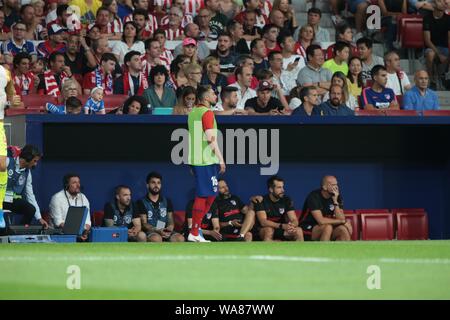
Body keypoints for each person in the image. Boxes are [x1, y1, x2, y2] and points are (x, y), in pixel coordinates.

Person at [187, 85, 225, 242]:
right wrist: (221, 158)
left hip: (196, 159)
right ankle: (194, 232)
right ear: (205, 98)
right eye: (212, 93)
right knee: (204, 195)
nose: (215, 95)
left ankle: (196, 230)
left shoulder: (193, 112)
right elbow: (210, 138)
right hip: (205, 160)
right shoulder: (207, 112)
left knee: (210, 194)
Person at [4, 145, 48, 228]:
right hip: (0, 198)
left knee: (30, 209)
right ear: (28, 157)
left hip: (10, 200)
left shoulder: (28, 173)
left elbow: (30, 195)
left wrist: (39, 218)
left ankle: (18, 233)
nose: (35, 164)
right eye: (34, 161)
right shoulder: (7, 162)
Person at [136, 171, 185, 242]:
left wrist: (170, 228)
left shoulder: (167, 201)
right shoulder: (141, 202)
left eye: (158, 183)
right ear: (147, 185)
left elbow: (170, 220)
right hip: (151, 232)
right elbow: (144, 224)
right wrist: (157, 230)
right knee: (156, 238)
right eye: (153, 182)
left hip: (165, 231)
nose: (156, 185)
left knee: (180, 238)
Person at [300, 175, 352, 241]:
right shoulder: (314, 197)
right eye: (333, 185)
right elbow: (321, 221)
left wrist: (335, 201)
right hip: (307, 227)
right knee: (327, 227)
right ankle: (324, 251)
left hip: (327, 225)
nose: (336, 187)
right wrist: (342, 221)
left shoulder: (337, 196)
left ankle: (345, 251)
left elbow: (341, 218)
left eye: (336, 184)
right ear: (324, 187)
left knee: (343, 229)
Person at [253, 175, 304, 241]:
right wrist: (281, 226)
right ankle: (268, 251)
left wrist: (292, 226)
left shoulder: (286, 199)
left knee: (298, 230)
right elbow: (263, 222)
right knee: (269, 230)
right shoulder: (261, 200)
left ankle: (300, 251)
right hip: (264, 230)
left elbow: (294, 219)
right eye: (279, 187)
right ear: (271, 189)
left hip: (281, 229)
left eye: (282, 187)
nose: (283, 190)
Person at [49, 172, 92, 240]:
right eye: (74, 183)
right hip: (59, 236)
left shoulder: (83, 198)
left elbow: (87, 221)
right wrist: (77, 233)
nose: (78, 185)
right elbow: (58, 223)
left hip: (80, 234)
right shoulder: (57, 198)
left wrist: (85, 231)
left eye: (78, 182)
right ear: (67, 185)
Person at [423, 0, 450, 89]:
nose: (443, 3)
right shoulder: (427, 18)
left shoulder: (448, 19)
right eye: (439, 1)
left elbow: (449, 39)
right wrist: (439, 54)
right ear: (433, 4)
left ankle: (444, 77)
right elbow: (427, 40)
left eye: (444, 1)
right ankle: (432, 80)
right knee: (430, 54)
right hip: (431, 47)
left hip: (444, 47)